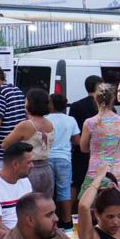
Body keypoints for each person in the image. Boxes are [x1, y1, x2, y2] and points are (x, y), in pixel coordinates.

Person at [2, 88, 55, 200]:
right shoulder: (49, 123)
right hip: (46, 168)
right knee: (44, 203)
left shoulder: (26, 125)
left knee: (27, 204)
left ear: (31, 104)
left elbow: (5, 144)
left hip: (29, 169)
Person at [76, 83, 120, 194]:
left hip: (96, 171)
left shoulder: (90, 122)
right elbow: (119, 144)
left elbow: (83, 148)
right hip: (117, 170)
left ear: (95, 99)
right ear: (112, 99)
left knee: (90, 205)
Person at [46, 93, 80, 228]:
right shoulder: (70, 120)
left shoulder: (45, 119)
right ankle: (66, 222)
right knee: (64, 190)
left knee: (48, 191)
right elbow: (77, 140)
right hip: (64, 159)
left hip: (47, 158)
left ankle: (49, 219)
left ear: (51, 104)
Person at [67, 75, 102, 198]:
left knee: (77, 183)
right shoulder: (106, 107)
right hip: (100, 151)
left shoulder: (76, 106)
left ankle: (74, 212)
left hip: (81, 151)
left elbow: (73, 132)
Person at [0, 140, 35, 229]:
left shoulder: (25, 181)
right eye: (29, 162)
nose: (32, 165)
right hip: (9, 238)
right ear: (15, 164)